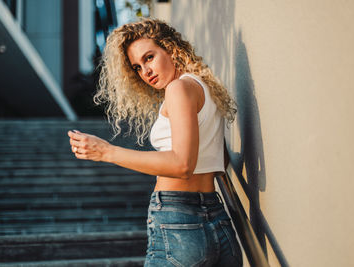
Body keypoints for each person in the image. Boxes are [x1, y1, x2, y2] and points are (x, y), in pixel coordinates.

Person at [68, 18, 242, 267]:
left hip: (178, 220)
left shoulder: (178, 89)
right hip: (218, 221)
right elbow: (218, 159)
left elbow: (183, 164)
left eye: (149, 57)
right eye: (137, 67)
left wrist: (106, 151)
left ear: (170, 48)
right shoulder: (205, 89)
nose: (145, 72)